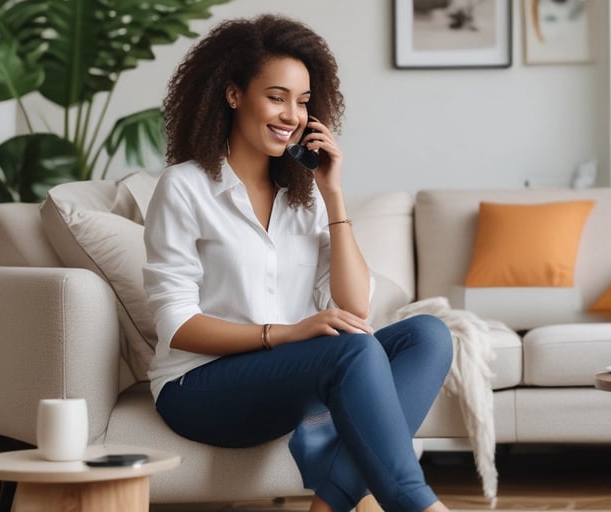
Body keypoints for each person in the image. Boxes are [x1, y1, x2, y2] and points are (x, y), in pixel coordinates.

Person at [142, 14, 453, 512]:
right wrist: (285, 334)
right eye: (277, 96)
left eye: (303, 102)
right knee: (351, 353)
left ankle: (329, 502)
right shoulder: (185, 187)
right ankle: (416, 503)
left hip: (285, 376)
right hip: (198, 387)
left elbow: (355, 307)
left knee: (428, 336)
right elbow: (176, 323)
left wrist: (333, 195)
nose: (292, 115)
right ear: (233, 94)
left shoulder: (302, 197)